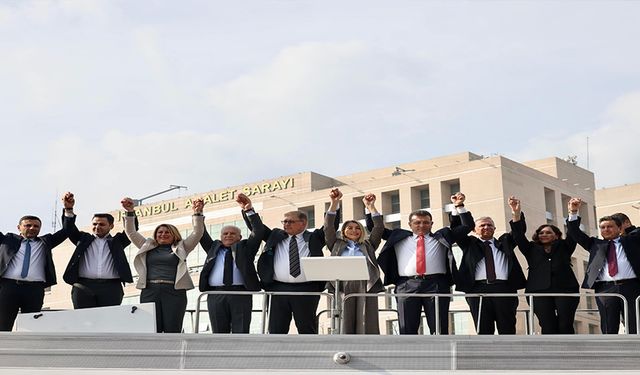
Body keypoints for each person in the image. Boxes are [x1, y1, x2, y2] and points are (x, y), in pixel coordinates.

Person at [377, 192, 474, 335]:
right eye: (417, 222)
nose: (421, 225)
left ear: (431, 224)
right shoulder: (398, 236)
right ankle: (410, 356)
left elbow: (467, 226)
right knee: (407, 329)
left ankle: (441, 356)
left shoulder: (442, 236)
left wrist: (459, 205)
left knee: (439, 328)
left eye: (426, 222)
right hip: (406, 285)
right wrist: (370, 208)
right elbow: (376, 229)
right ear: (410, 224)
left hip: (436, 284)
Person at [122, 196, 205, 333]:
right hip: (150, 290)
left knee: (172, 328)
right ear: (155, 235)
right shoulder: (147, 245)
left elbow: (198, 232)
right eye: (160, 232)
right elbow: (131, 232)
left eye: (167, 232)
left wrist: (197, 213)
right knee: (151, 328)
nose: (163, 234)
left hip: (174, 291)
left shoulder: (182, 246)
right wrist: (130, 212)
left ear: (174, 235)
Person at [255, 205, 336, 334]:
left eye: (290, 221)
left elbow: (330, 226)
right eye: (284, 221)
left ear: (303, 223)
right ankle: (277, 353)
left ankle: (309, 354)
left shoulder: (314, 237)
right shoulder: (275, 235)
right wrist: (248, 209)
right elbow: (257, 227)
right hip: (278, 290)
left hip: (306, 290)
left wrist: (333, 203)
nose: (286, 224)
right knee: (276, 329)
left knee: (307, 329)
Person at [566, 198, 640, 334]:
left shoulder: (632, 240)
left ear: (619, 228)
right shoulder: (595, 244)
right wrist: (573, 211)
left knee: (634, 324)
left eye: (610, 226)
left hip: (632, 287)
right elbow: (575, 233)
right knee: (608, 326)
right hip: (606, 289)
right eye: (603, 227)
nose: (606, 229)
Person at [508, 196, 579, 334]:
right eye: (541, 233)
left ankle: (568, 353)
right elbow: (518, 235)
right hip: (538, 291)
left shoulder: (565, 246)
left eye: (548, 232)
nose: (544, 234)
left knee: (565, 324)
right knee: (547, 325)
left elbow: (573, 233)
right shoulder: (530, 248)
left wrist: (573, 213)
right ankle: (551, 354)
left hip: (566, 289)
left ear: (557, 235)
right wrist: (516, 214)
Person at [0, 197, 69, 331]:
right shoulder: (7, 239)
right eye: (28, 225)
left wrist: (68, 210)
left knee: (32, 326)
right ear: (19, 227)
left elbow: (67, 230)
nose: (32, 228)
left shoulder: (45, 242)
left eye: (36, 226)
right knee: (3, 326)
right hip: (8, 288)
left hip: (34, 290)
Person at [198, 193, 264, 333]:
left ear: (239, 237)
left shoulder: (246, 248)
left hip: (240, 294)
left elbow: (258, 232)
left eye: (232, 234)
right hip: (216, 295)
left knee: (241, 331)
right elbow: (201, 233)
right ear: (220, 237)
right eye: (225, 234)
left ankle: (240, 355)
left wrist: (248, 210)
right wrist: (198, 214)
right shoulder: (213, 248)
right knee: (218, 332)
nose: (228, 236)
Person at [455, 213, 526, 335]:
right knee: (483, 328)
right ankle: (485, 354)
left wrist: (515, 213)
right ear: (474, 230)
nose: (486, 227)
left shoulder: (505, 242)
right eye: (482, 225)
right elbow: (458, 232)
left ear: (494, 229)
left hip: (504, 288)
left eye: (490, 225)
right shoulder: (469, 244)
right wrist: (460, 206)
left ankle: (510, 353)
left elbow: (518, 232)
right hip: (477, 289)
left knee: (507, 327)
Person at [324, 188, 383, 334]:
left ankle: (368, 346)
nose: (354, 230)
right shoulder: (336, 244)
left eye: (357, 228)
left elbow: (379, 227)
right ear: (343, 231)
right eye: (349, 228)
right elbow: (328, 226)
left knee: (367, 319)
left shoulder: (368, 245)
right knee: (344, 319)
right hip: (343, 284)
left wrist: (371, 207)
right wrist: (334, 203)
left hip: (365, 284)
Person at [62, 192, 135, 309]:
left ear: (111, 226)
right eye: (95, 224)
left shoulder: (117, 242)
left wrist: (130, 212)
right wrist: (68, 209)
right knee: (83, 321)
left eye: (102, 224)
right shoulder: (83, 239)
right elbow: (69, 229)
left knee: (108, 322)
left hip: (111, 288)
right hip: (83, 286)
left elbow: (131, 232)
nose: (97, 227)